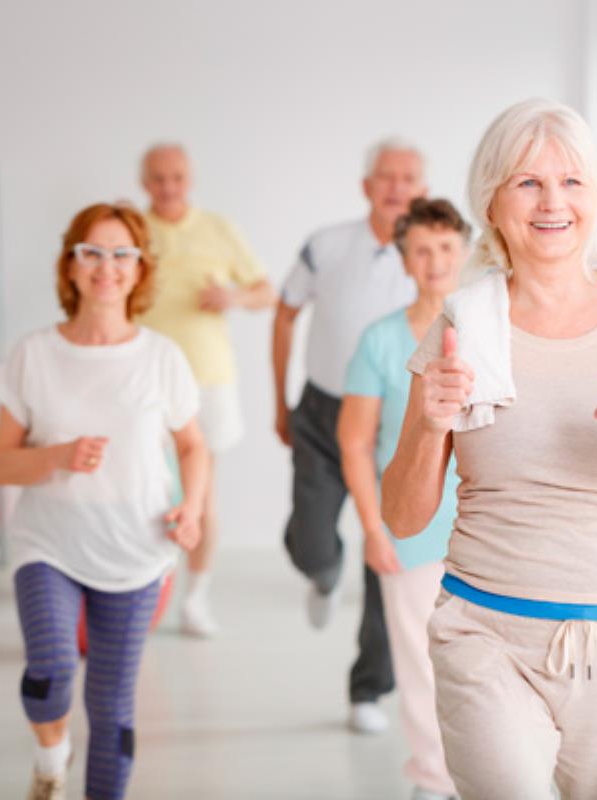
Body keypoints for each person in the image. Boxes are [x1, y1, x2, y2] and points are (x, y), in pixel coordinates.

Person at [382, 99, 597, 799]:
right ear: (493, 200)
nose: (553, 203)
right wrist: (427, 422)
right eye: (528, 183)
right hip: (487, 633)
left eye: (571, 182)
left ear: (594, 195)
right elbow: (404, 516)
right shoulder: (463, 323)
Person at [0, 202, 210, 800]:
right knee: (52, 670)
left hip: (137, 551)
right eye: (92, 252)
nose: (106, 266)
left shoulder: (161, 357)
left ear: (139, 270)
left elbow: (193, 447)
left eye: (122, 254)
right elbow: (2, 462)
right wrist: (57, 456)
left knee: (112, 709)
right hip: (48, 543)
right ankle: (50, 750)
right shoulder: (33, 353)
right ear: (71, 264)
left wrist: (191, 508)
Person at [272, 138, 426, 734]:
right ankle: (322, 570)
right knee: (310, 540)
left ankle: (369, 689)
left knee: (388, 554)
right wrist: (278, 399)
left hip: (395, 420)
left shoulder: (433, 255)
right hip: (321, 409)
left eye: (408, 177)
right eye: (385, 177)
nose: (396, 187)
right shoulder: (327, 245)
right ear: (367, 187)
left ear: (422, 188)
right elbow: (284, 312)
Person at [338, 198, 468, 800]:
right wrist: (372, 528)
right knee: (420, 666)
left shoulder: (491, 327)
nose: (435, 260)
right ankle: (434, 780)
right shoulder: (381, 340)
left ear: (463, 249)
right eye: (422, 249)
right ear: (404, 258)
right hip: (412, 531)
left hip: (490, 525)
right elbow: (357, 443)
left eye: (445, 247)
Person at [138, 143, 276, 637]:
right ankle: (145, 593)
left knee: (201, 495)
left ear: (189, 177)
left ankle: (195, 599)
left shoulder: (218, 229)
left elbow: (266, 292)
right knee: (143, 490)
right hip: (144, 379)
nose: (168, 187)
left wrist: (232, 297)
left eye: (176, 177)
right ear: (144, 181)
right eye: (158, 178)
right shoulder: (133, 231)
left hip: (208, 378)